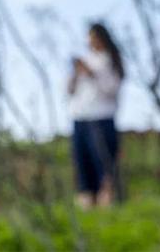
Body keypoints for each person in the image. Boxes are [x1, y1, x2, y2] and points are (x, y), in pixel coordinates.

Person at [67, 22, 124, 209]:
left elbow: (112, 89)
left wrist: (91, 74)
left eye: (94, 36)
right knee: (82, 164)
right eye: (89, 36)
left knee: (104, 165)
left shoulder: (110, 60)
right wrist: (76, 74)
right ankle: (87, 205)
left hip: (102, 119)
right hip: (80, 118)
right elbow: (69, 91)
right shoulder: (85, 60)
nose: (90, 40)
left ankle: (107, 203)